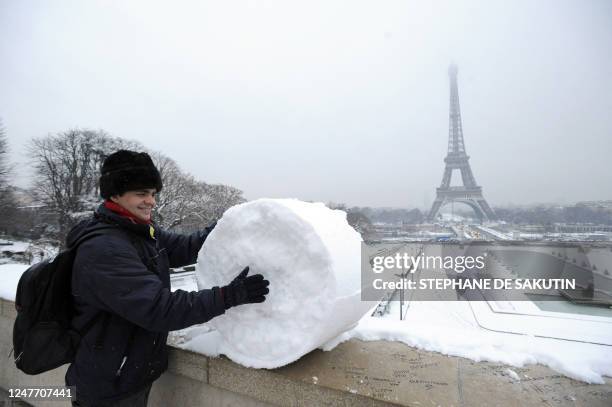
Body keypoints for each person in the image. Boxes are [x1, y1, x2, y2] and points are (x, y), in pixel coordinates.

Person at [65, 150, 270, 406]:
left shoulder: (139, 231)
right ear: (114, 194)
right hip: (107, 385)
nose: (150, 201)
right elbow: (160, 309)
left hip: (129, 372)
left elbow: (187, 247)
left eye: (153, 193)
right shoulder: (105, 249)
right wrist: (229, 295)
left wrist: (230, 223)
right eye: (141, 193)